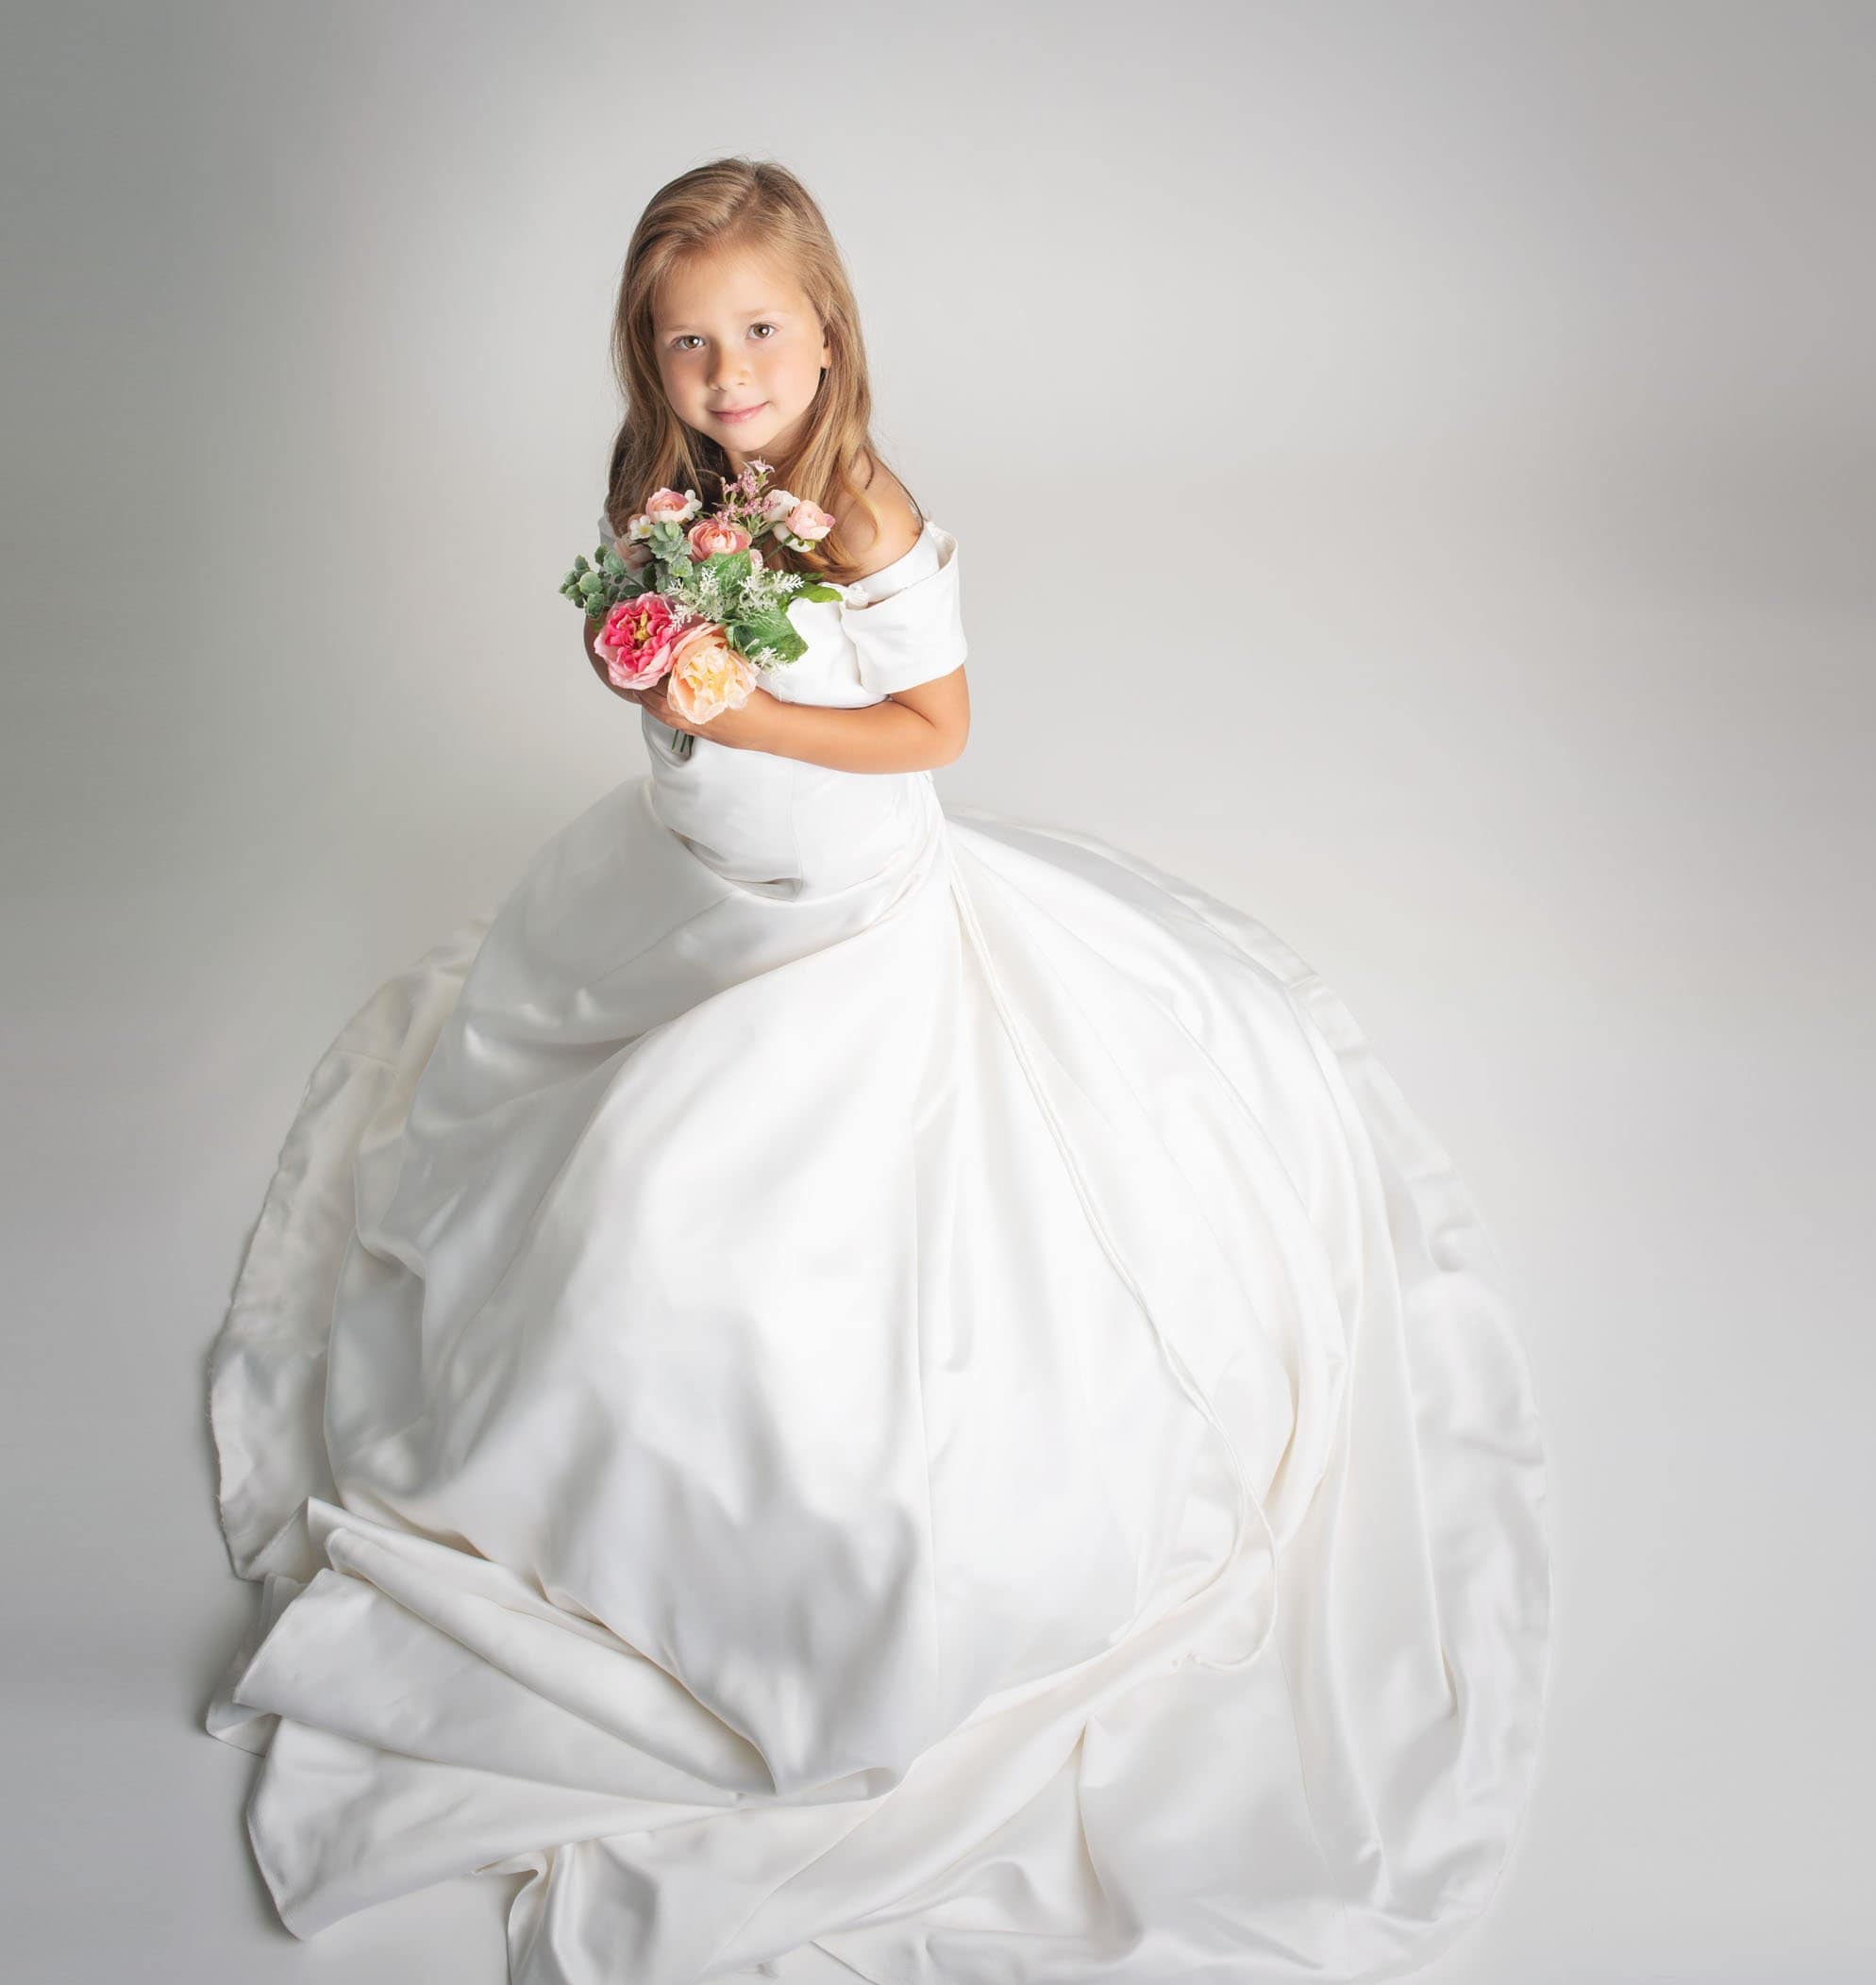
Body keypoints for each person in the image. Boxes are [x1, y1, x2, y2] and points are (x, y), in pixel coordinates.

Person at [203, 157, 1553, 1985]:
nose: (729, 370)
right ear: (650, 360)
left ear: (826, 330)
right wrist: (660, 673)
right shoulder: (669, 484)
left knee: (726, 1223)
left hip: (840, 927)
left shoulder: (858, 507)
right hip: (698, 897)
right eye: (688, 345)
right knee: (584, 1172)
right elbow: (650, 651)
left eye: (759, 331)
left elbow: (937, 723)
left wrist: (735, 707)